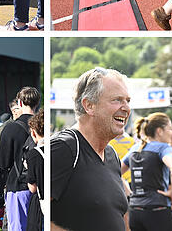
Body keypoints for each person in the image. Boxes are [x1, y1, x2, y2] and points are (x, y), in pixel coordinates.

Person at [51, 68, 130, 231]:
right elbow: (40, 216)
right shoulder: (63, 148)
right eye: (117, 100)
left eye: (127, 101)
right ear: (89, 105)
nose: (126, 108)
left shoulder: (111, 155)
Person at [121, 112, 172, 231]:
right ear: (159, 131)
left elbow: (115, 172)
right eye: (170, 129)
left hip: (135, 211)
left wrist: (129, 193)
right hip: (158, 210)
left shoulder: (135, 149)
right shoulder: (163, 148)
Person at [0, 86, 40, 230]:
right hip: (41, 186)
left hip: (18, 185)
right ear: (37, 103)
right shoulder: (42, 126)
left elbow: (3, 162)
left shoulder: (10, 128)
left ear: (20, 103)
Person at [25, 110, 45, 231]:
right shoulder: (59, 148)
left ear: (34, 132)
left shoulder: (34, 154)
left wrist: (29, 168)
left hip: (41, 204)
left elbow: (32, 187)